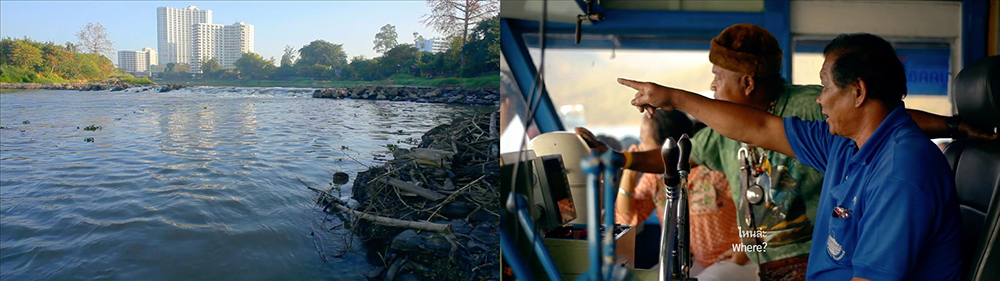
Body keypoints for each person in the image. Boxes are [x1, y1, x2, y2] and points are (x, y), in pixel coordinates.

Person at [576, 23, 996, 280]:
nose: (820, 100)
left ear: (858, 91)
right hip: (767, 256)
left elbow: (893, 118)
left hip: (796, 259)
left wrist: (955, 125)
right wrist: (668, 101)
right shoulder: (843, 145)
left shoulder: (900, 171)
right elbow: (758, 128)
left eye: (827, 88)